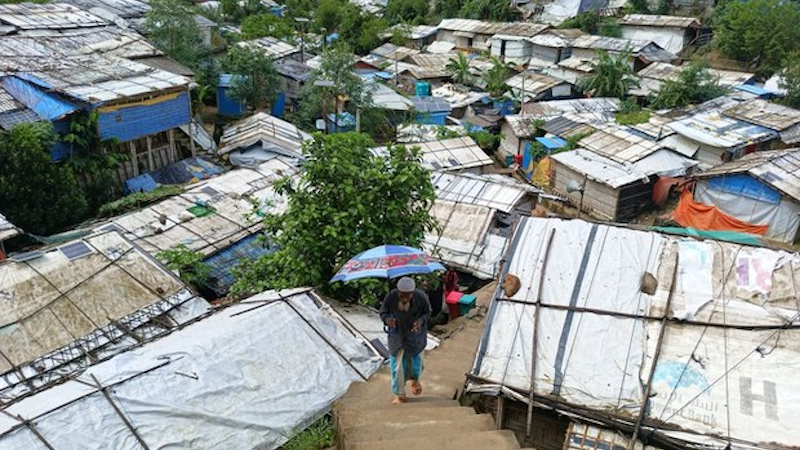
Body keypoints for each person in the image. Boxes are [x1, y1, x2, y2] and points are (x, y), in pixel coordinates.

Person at [380, 276, 431, 404]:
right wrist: (387, 320)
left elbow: (428, 312)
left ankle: (415, 380)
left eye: (407, 296)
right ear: (398, 292)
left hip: (415, 337)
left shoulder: (421, 297)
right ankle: (399, 394)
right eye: (402, 295)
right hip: (397, 337)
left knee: (415, 365)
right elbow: (383, 312)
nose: (404, 298)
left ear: (412, 294)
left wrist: (420, 321)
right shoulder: (391, 297)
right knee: (397, 367)